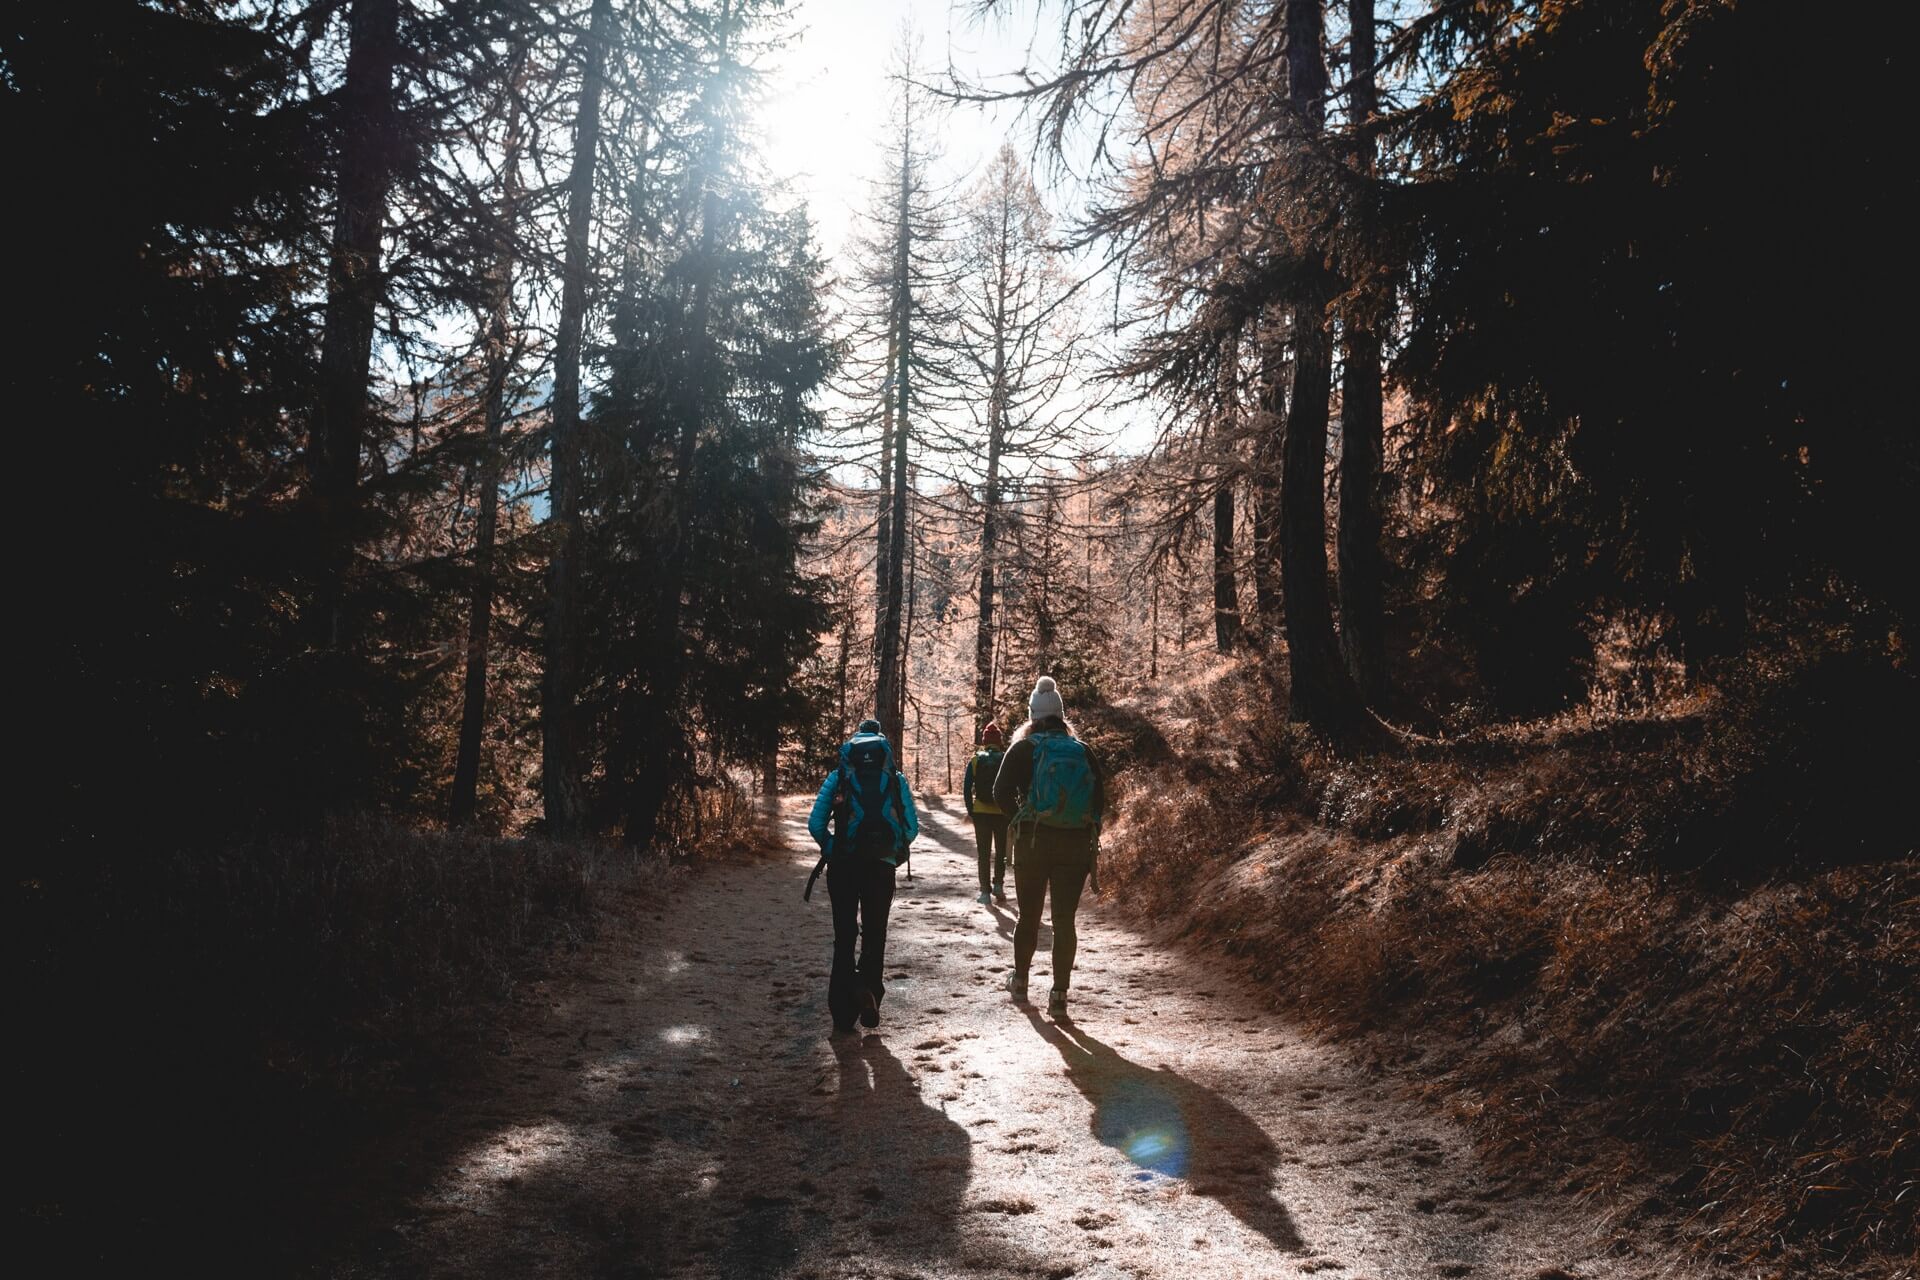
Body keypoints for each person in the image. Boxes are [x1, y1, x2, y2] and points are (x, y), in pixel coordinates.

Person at [993, 676, 1105, 1019]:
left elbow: (999, 792)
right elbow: (1100, 799)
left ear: (1032, 716)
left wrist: (1022, 817)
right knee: (1064, 921)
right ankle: (1059, 995)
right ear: (1061, 715)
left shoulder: (1023, 748)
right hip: (1074, 845)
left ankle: (1022, 980)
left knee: (1028, 916)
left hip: (1034, 841)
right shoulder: (1082, 750)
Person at [807, 718, 919, 1035]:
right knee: (875, 935)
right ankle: (869, 992)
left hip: (843, 867)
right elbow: (911, 828)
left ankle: (842, 1014)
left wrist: (834, 848)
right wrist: (892, 854)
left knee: (844, 938)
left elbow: (815, 825)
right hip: (880, 868)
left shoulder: (839, 776)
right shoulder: (895, 779)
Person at [962, 721, 1010, 906]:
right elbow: (1011, 786)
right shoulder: (1005, 758)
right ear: (999, 741)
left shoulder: (976, 759)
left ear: (984, 741)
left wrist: (971, 810)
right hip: (1002, 813)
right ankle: (998, 885)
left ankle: (984, 893)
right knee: (1001, 852)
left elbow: (967, 788)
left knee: (983, 853)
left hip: (981, 812)